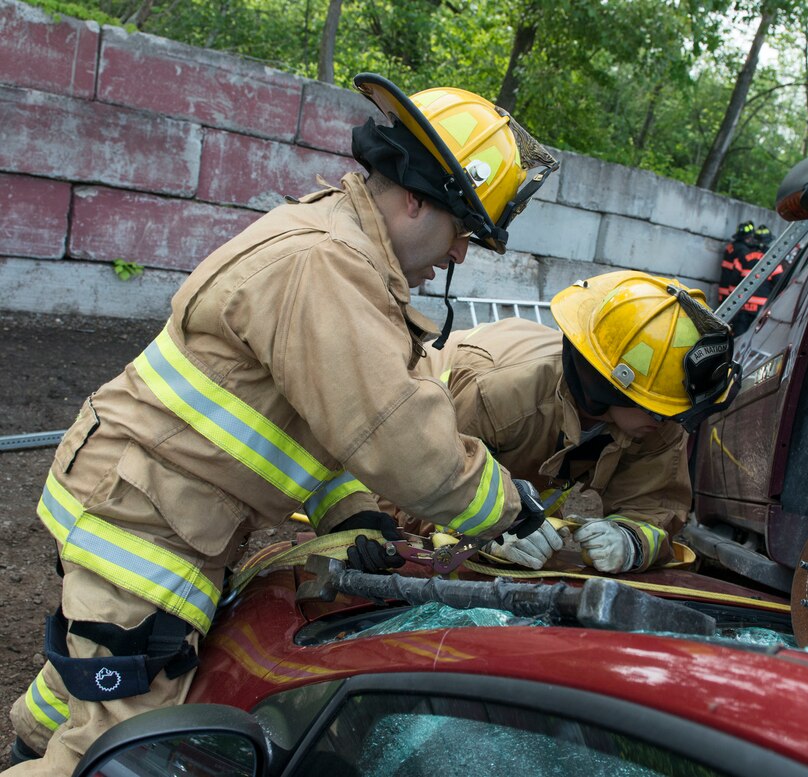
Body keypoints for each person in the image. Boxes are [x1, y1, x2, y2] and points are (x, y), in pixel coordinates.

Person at [5, 74, 557, 775]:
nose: (457, 257)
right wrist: (508, 509)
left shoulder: (340, 244)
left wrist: (358, 514)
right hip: (145, 528)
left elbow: (308, 426)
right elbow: (402, 442)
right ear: (418, 198)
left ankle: (26, 744)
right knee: (120, 752)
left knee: (87, 678)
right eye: (463, 234)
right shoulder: (330, 269)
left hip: (129, 500)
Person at [326, 271, 740, 574]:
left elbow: (656, 506)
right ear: (611, 387)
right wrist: (486, 531)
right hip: (397, 436)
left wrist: (632, 540)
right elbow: (410, 484)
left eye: (674, 411)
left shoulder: (656, 416)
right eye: (659, 408)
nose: (670, 423)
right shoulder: (502, 395)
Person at [718, 220, 780, 335]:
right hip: (761, 310)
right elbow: (780, 284)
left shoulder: (743, 256)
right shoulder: (773, 260)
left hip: (742, 307)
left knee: (737, 339)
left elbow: (733, 281)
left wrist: (734, 302)